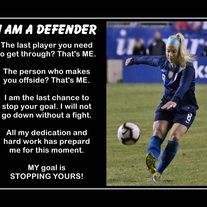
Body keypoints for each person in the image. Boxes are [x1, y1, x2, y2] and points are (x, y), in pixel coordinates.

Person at [125, 32, 199, 182]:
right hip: (167, 103)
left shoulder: (188, 68)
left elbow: (183, 87)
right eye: (167, 51)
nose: (170, 54)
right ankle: (151, 158)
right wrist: (134, 60)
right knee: (158, 131)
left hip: (185, 108)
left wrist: (176, 100)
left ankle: (158, 172)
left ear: (179, 51)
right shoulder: (163, 61)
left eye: (173, 51)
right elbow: (149, 59)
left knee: (174, 136)